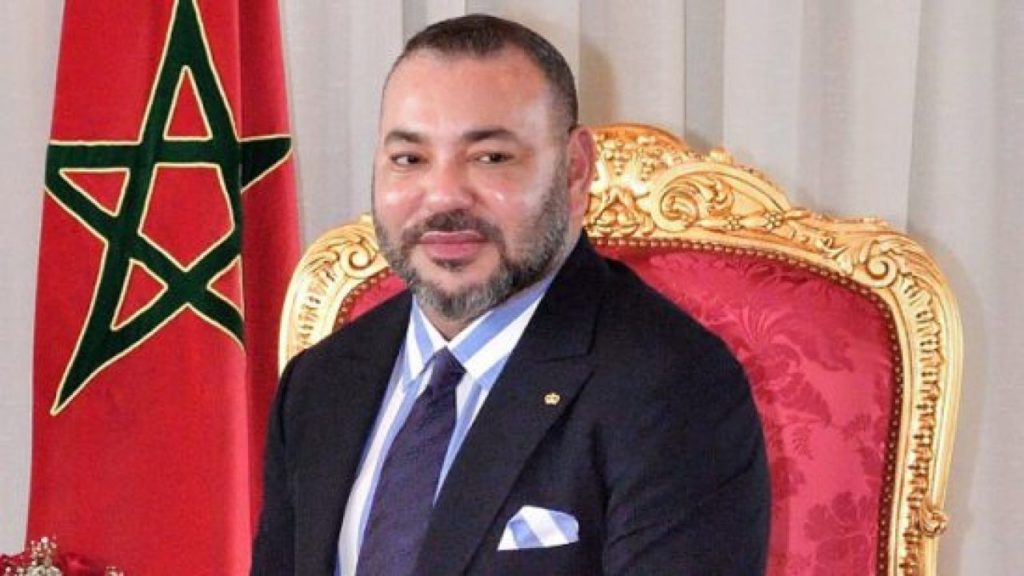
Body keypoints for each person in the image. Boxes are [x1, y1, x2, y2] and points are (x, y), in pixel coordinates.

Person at [251, 14, 769, 576]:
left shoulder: (674, 387)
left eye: (491, 157)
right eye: (410, 159)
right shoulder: (320, 383)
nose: (443, 196)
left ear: (575, 171)